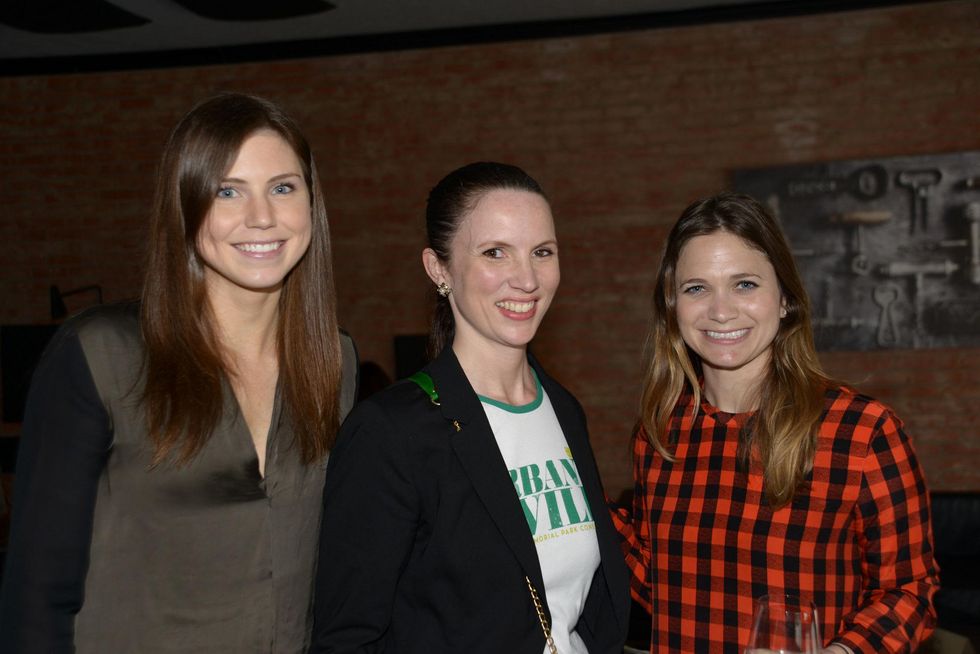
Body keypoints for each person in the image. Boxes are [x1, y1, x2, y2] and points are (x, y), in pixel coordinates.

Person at [0, 93, 358, 653]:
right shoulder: (102, 355)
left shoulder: (333, 363)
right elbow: (36, 595)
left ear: (311, 203)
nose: (261, 216)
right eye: (227, 191)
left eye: (283, 188)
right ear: (185, 204)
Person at [309, 162, 630, 653]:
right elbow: (348, 638)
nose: (526, 278)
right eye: (495, 253)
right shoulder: (392, 432)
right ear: (439, 269)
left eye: (542, 252)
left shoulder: (564, 409)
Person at [613, 192, 938, 653]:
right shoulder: (661, 432)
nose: (721, 310)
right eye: (696, 288)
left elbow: (910, 590)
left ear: (785, 299)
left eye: (744, 284)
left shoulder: (861, 431)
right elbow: (660, 582)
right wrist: (570, 491)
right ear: (672, 306)